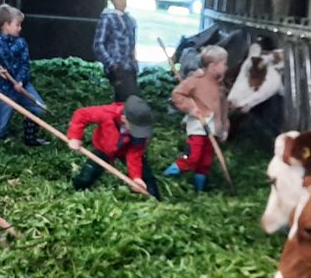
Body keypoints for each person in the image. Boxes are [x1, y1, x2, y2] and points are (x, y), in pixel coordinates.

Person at [66, 95, 160, 200]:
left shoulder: (140, 134)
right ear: (124, 119)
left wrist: (136, 177)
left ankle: (155, 200)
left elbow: (135, 153)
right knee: (86, 177)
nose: (138, 132)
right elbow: (81, 114)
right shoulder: (108, 113)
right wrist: (75, 137)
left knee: (146, 177)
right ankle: (73, 192)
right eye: (135, 128)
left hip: (125, 150)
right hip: (103, 148)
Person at [164, 45, 230, 192]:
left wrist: (224, 127)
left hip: (213, 128)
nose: (226, 67)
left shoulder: (220, 84)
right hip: (198, 126)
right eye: (224, 64)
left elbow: (223, 106)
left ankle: (199, 189)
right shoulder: (196, 80)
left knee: (206, 160)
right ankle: (167, 176)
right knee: (193, 157)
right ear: (213, 66)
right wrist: (191, 108)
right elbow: (177, 94)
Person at [0, 4, 49, 146]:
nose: (20, 28)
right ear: (5, 25)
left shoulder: (21, 43)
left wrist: (20, 81)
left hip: (22, 86)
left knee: (38, 109)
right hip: (4, 90)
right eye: (17, 25)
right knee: (1, 129)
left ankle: (30, 138)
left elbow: (25, 63)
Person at [93, 0, 139, 102]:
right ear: (112, 0)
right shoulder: (108, 18)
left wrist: (134, 62)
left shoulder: (130, 20)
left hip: (130, 68)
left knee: (128, 102)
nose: (123, 1)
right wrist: (112, 64)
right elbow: (98, 45)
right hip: (117, 68)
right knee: (128, 100)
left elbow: (132, 45)